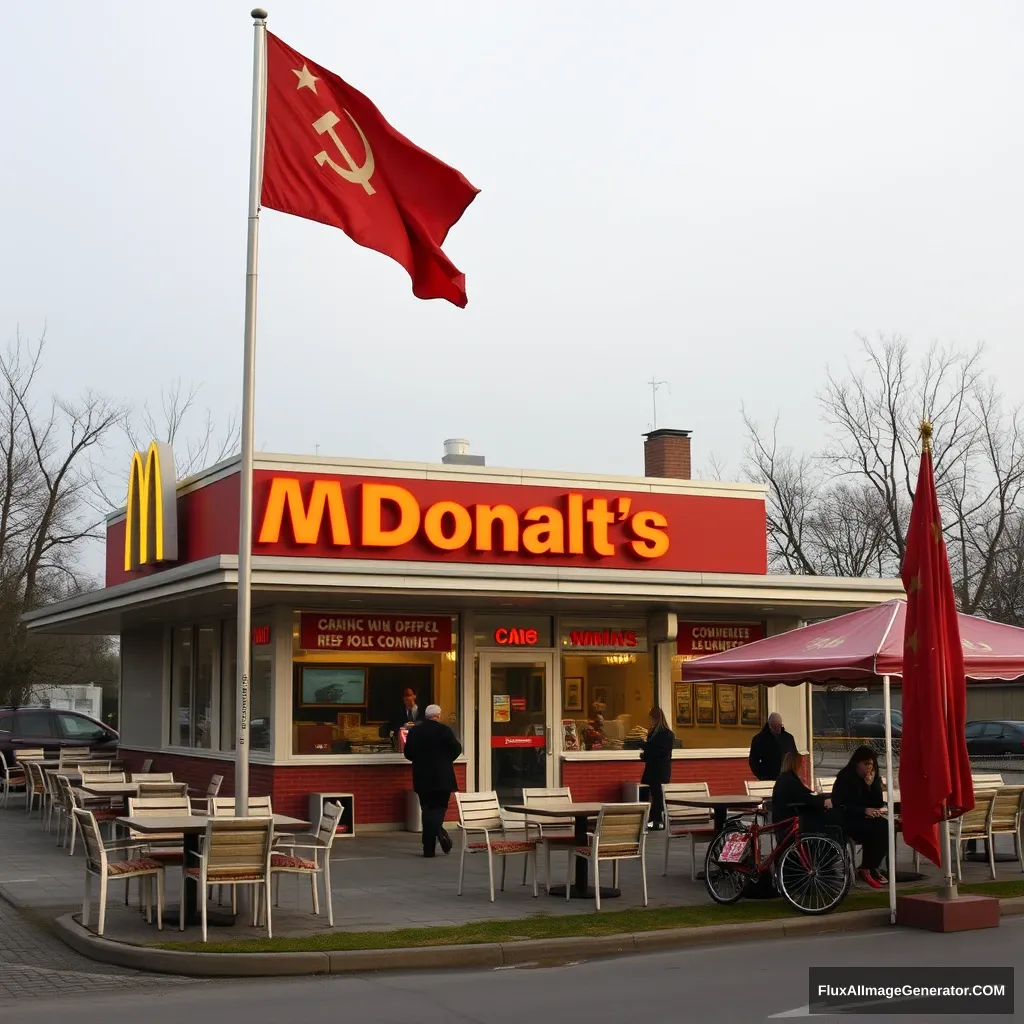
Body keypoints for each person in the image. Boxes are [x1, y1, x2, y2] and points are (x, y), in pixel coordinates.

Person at [402, 703, 462, 858]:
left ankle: (429, 847)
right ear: (439, 715)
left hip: (422, 777)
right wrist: (446, 760)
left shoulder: (415, 731)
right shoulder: (444, 730)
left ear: (426, 715)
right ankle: (438, 831)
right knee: (440, 807)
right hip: (443, 777)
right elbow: (457, 749)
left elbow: (408, 753)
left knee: (427, 809)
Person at [830, 745, 889, 889]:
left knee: (885, 826)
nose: (869, 768)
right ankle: (867, 867)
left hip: (866, 817)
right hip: (848, 819)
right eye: (866, 764)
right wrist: (863, 810)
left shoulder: (873, 777)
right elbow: (839, 804)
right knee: (875, 829)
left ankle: (870, 865)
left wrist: (870, 786)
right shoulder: (845, 777)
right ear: (857, 763)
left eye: (872, 764)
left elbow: (878, 802)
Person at [771, 751, 832, 824]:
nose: (801, 764)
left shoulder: (785, 778)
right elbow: (803, 797)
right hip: (790, 819)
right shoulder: (789, 780)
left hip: (783, 818)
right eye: (800, 762)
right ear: (795, 763)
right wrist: (823, 802)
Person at [639, 706, 674, 829]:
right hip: (652, 769)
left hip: (660, 770)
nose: (650, 721)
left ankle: (657, 820)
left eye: (651, 718)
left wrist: (645, 748)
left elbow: (661, 752)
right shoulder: (653, 733)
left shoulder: (666, 734)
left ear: (656, 718)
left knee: (658, 795)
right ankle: (652, 819)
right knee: (652, 794)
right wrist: (645, 755)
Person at [748, 712, 799, 781]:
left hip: (786, 778)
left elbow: (795, 756)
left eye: (780, 725)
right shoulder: (760, 739)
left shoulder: (788, 738)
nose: (778, 728)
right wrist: (762, 775)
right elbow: (753, 761)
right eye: (776, 725)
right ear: (770, 725)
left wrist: (793, 772)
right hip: (768, 778)